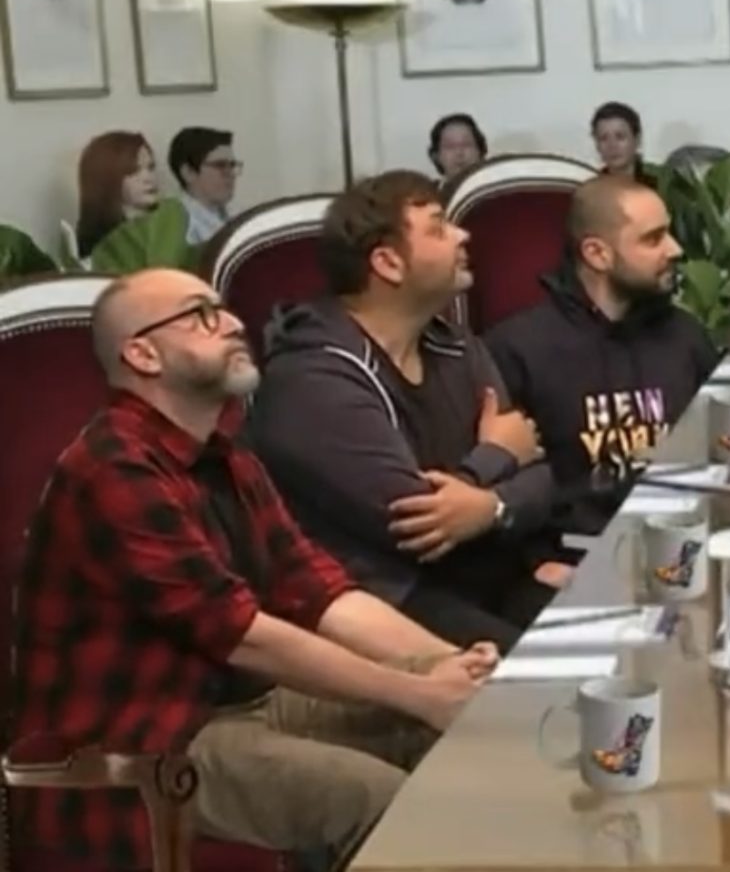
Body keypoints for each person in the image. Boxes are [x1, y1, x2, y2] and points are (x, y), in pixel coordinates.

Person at [11, 268, 493, 871]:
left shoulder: (229, 460)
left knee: (477, 710)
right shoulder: (111, 470)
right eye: (202, 315)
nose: (234, 323)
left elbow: (321, 592)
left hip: (238, 705)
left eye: (224, 309)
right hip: (139, 745)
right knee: (376, 797)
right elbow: (242, 634)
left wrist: (448, 666)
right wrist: (418, 693)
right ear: (143, 354)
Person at [249, 171, 562, 651]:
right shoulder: (312, 376)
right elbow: (416, 524)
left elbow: (541, 476)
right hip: (388, 602)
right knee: (555, 676)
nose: (463, 235)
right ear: (388, 263)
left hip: (486, 573)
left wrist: (490, 506)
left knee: (623, 637)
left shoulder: (456, 345)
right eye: (438, 228)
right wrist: (495, 458)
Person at [486, 174, 719, 546]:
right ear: (597, 254)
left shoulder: (686, 337)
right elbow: (501, 494)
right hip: (572, 556)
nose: (675, 249)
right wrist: (535, 562)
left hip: (680, 544)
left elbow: (724, 458)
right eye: (653, 239)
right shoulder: (517, 349)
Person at [72, 131, 161, 263]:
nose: (149, 178)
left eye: (150, 167)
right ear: (107, 178)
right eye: (134, 171)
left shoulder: (169, 219)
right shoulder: (98, 241)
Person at [168, 126, 240, 246]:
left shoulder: (235, 216)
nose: (231, 174)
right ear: (188, 172)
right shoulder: (177, 224)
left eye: (232, 165)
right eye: (220, 165)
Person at [428, 112, 490, 186]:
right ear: (437, 155)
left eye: (466, 144)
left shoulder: (496, 187)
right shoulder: (428, 191)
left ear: (479, 151)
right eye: (450, 146)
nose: (459, 153)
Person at [592, 101, 644, 180]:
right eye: (604, 138)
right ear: (597, 145)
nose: (612, 145)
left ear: (637, 140)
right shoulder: (593, 186)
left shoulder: (660, 179)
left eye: (620, 137)